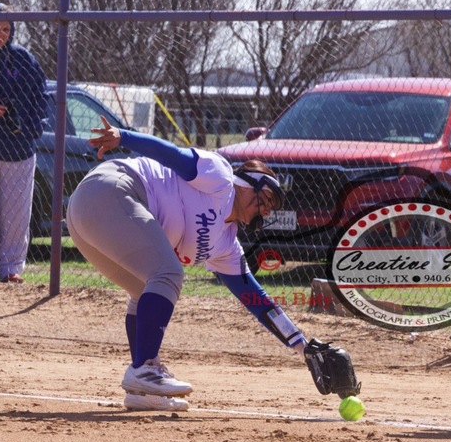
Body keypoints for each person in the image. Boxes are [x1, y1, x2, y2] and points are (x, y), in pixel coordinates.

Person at [66, 116, 312, 412]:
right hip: (111, 189)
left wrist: (302, 346)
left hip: (89, 217)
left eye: (270, 208)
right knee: (168, 273)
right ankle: (144, 369)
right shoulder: (221, 178)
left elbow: (255, 300)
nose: (265, 210)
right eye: (266, 198)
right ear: (246, 184)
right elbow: (170, 154)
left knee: (147, 286)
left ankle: (142, 386)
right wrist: (124, 137)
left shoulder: (226, 245)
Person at [0, 2, 47, 285]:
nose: (0, 34)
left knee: (17, 214)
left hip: (19, 150)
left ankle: (11, 269)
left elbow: (41, 97)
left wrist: (29, 127)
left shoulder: (23, 59)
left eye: (6, 28)